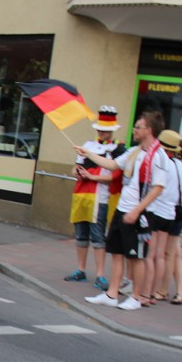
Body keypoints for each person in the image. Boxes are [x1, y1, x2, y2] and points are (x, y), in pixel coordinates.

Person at [83, 110, 170, 311]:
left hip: (139, 213)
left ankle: (136, 297)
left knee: (135, 256)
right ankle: (112, 294)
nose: (134, 130)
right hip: (123, 208)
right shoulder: (133, 151)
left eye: (138, 127)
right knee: (116, 252)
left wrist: (137, 211)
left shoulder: (158, 156)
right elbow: (112, 164)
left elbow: (158, 187)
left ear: (148, 130)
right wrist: (88, 153)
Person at [64, 106, 125, 290]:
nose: (101, 131)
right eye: (99, 128)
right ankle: (80, 270)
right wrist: (77, 172)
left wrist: (93, 177)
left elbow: (116, 176)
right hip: (81, 195)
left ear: (112, 130)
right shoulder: (88, 145)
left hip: (101, 198)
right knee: (81, 235)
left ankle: (100, 275)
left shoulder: (119, 149)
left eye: (105, 129)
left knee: (98, 237)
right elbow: (75, 168)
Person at [156, 131, 182, 305]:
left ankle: (162, 290)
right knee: (173, 253)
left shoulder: (166, 166)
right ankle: (178, 292)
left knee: (165, 254)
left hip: (168, 210)